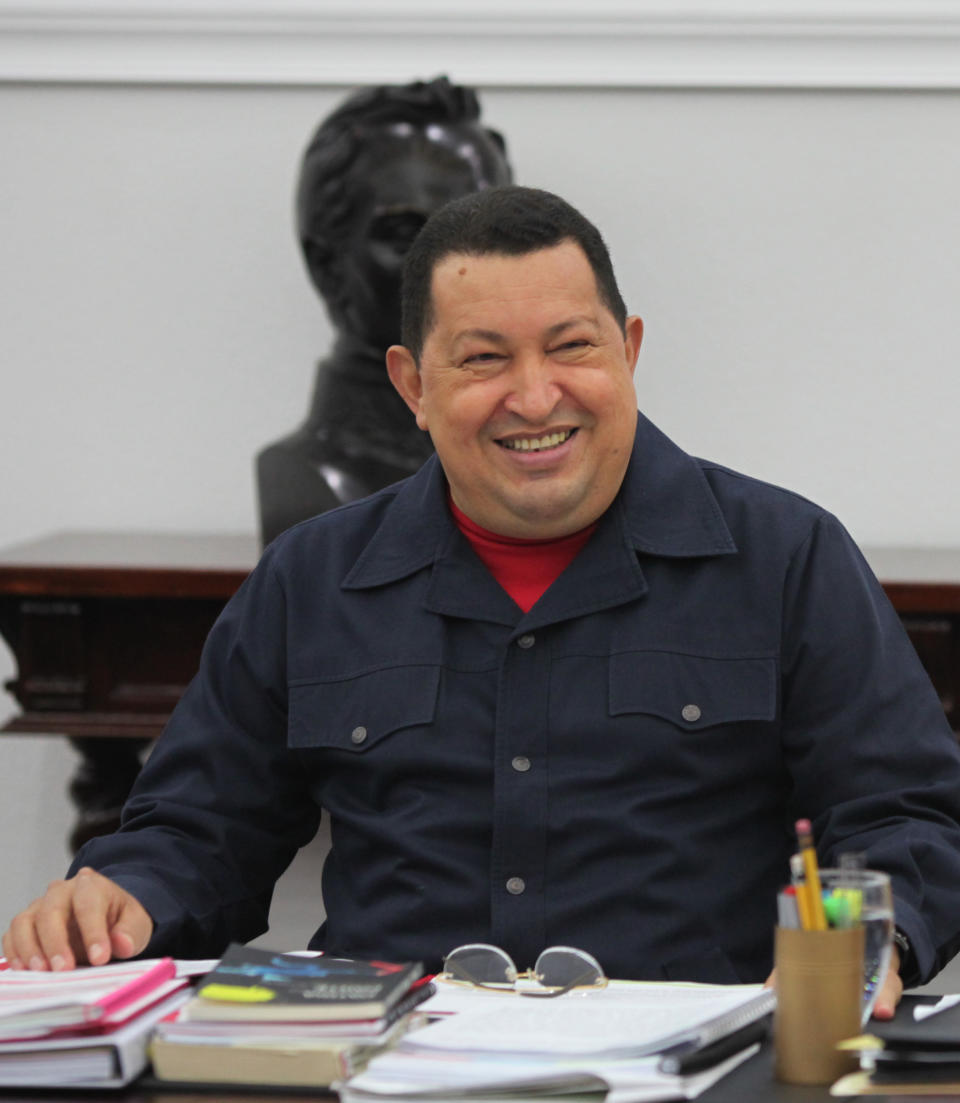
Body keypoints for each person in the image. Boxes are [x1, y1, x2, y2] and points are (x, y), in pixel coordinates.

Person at [7, 187, 960, 1022]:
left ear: (627, 350)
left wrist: (880, 942)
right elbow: (199, 831)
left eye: (571, 346)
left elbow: (910, 814)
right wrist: (120, 897)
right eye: (483, 359)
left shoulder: (786, 557)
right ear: (412, 385)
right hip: (382, 1060)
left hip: (701, 1068)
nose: (535, 395)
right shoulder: (312, 578)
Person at [256, 76, 513, 546]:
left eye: (480, 234)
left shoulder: (531, 458)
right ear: (326, 264)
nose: (454, 270)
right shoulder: (315, 480)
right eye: (403, 235)